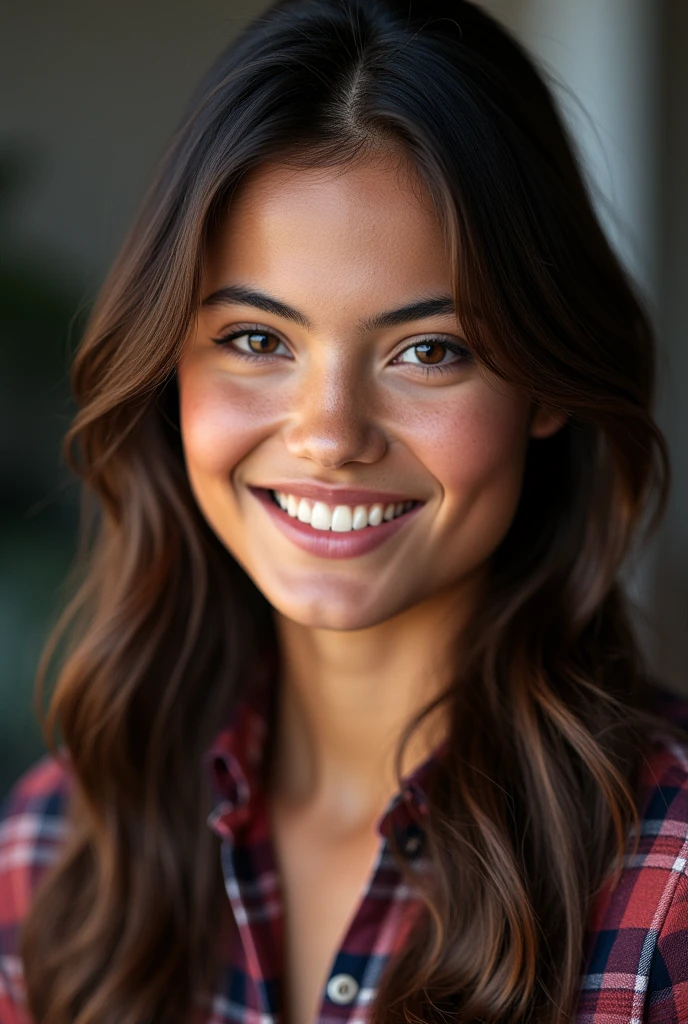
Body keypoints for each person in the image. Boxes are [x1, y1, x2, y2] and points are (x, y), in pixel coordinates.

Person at [1, 0, 687, 1021]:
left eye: (429, 350)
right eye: (255, 339)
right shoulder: (52, 851)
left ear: (545, 388)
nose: (329, 434)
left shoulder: (668, 882)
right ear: (166, 364)